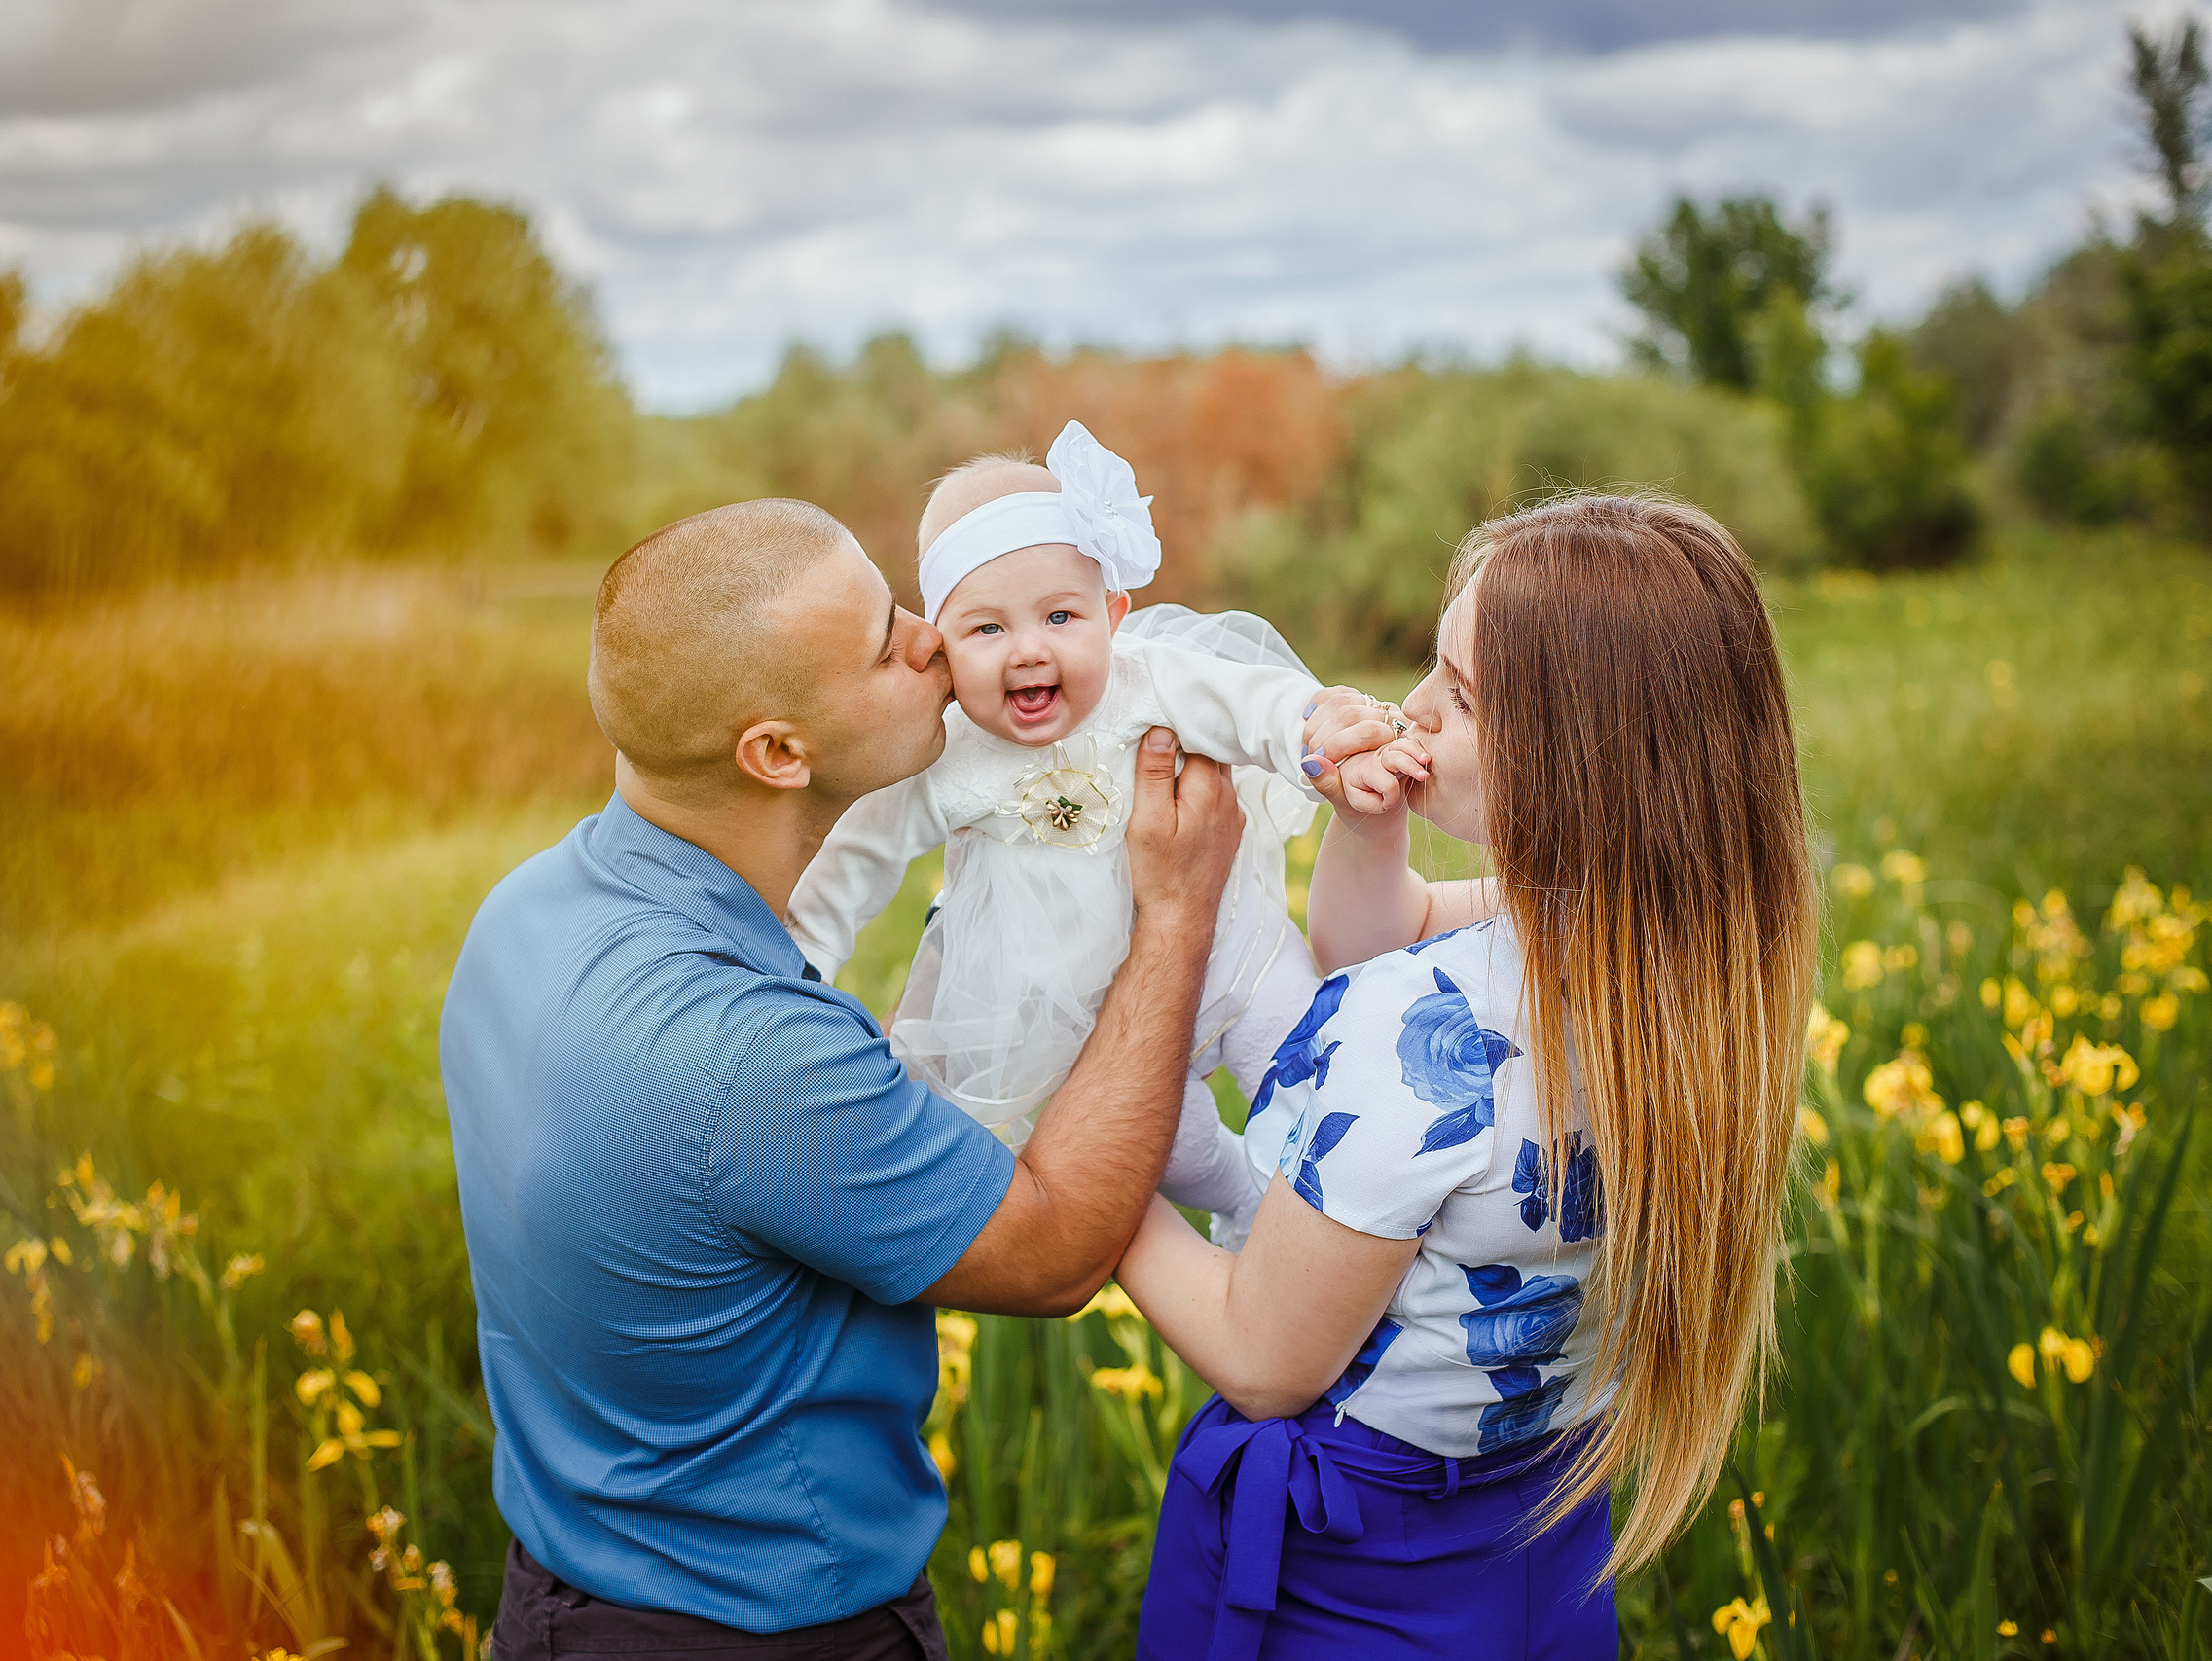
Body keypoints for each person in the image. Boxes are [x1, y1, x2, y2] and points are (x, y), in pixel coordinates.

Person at [439, 497, 1245, 1658]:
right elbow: (1056, 1249)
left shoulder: (526, 910)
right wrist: (1173, 915)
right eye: (883, 646)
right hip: (764, 1633)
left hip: (557, 1600)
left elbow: (730, 1154)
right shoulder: (749, 1058)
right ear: (777, 753)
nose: (932, 636)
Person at [1111, 494, 1819, 1660]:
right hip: (1537, 1533)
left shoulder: (1422, 1029)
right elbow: (1369, 939)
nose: (1416, 708)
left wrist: (1088, 1169)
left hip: (1346, 1579)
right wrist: (1369, 833)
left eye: (1464, 695)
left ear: (1579, 756)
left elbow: (1262, 1360)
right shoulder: (1679, 960)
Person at [790, 421, 1387, 1245]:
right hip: (1094, 1022)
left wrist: (1313, 730)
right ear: (942, 648)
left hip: (1233, 952)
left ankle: (1369, 1222)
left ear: (1112, 612)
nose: (1028, 650)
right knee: (1174, 1154)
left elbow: (1251, 701)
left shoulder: (1149, 678)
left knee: (1312, 1068)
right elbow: (859, 853)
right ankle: (1244, 1203)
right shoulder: (945, 754)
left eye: (1060, 615)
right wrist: (805, 962)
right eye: (987, 629)